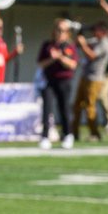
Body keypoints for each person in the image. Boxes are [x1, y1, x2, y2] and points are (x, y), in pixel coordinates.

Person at [36, 19, 79, 149]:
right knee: (47, 108)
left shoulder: (69, 46)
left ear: (68, 33)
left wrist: (60, 57)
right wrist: (51, 59)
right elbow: (40, 64)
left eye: (64, 31)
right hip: (49, 80)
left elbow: (73, 65)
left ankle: (67, 135)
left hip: (64, 81)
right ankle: (45, 136)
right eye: (58, 30)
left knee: (64, 107)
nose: (60, 33)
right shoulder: (48, 45)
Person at [72, 21, 108, 141]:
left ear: (104, 31)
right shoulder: (96, 41)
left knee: (90, 106)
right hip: (85, 76)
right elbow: (79, 44)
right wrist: (80, 35)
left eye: (97, 30)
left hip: (95, 79)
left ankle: (95, 134)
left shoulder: (106, 43)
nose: (94, 32)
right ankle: (73, 133)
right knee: (77, 105)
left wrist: (83, 44)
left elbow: (92, 55)